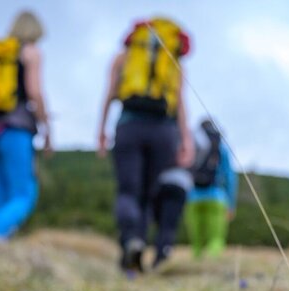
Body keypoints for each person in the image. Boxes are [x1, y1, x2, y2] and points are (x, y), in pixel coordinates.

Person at [97, 17, 195, 273]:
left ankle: (131, 240)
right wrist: (185, 139)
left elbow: (110, 94)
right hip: (164, 131)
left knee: (129, 190)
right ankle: (138, 247)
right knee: (151, 194)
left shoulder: (124, 56)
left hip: (129, 125)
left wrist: (101, 130)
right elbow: (181, 103)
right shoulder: (174, 62)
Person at [0, 10, 51, 240]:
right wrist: (47, 127)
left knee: (3, 198)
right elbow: (35, 92)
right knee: (23, 195)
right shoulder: (31, 52)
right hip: (14, 130)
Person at [185, 119, 238, 259]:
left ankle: (196, 266)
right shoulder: (221, 147)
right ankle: (211, 267)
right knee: (216, 238)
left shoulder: (193, 145)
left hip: (193, 198)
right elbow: (230, 177)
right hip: (217, 197)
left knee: (197, 241)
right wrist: (231, 203)